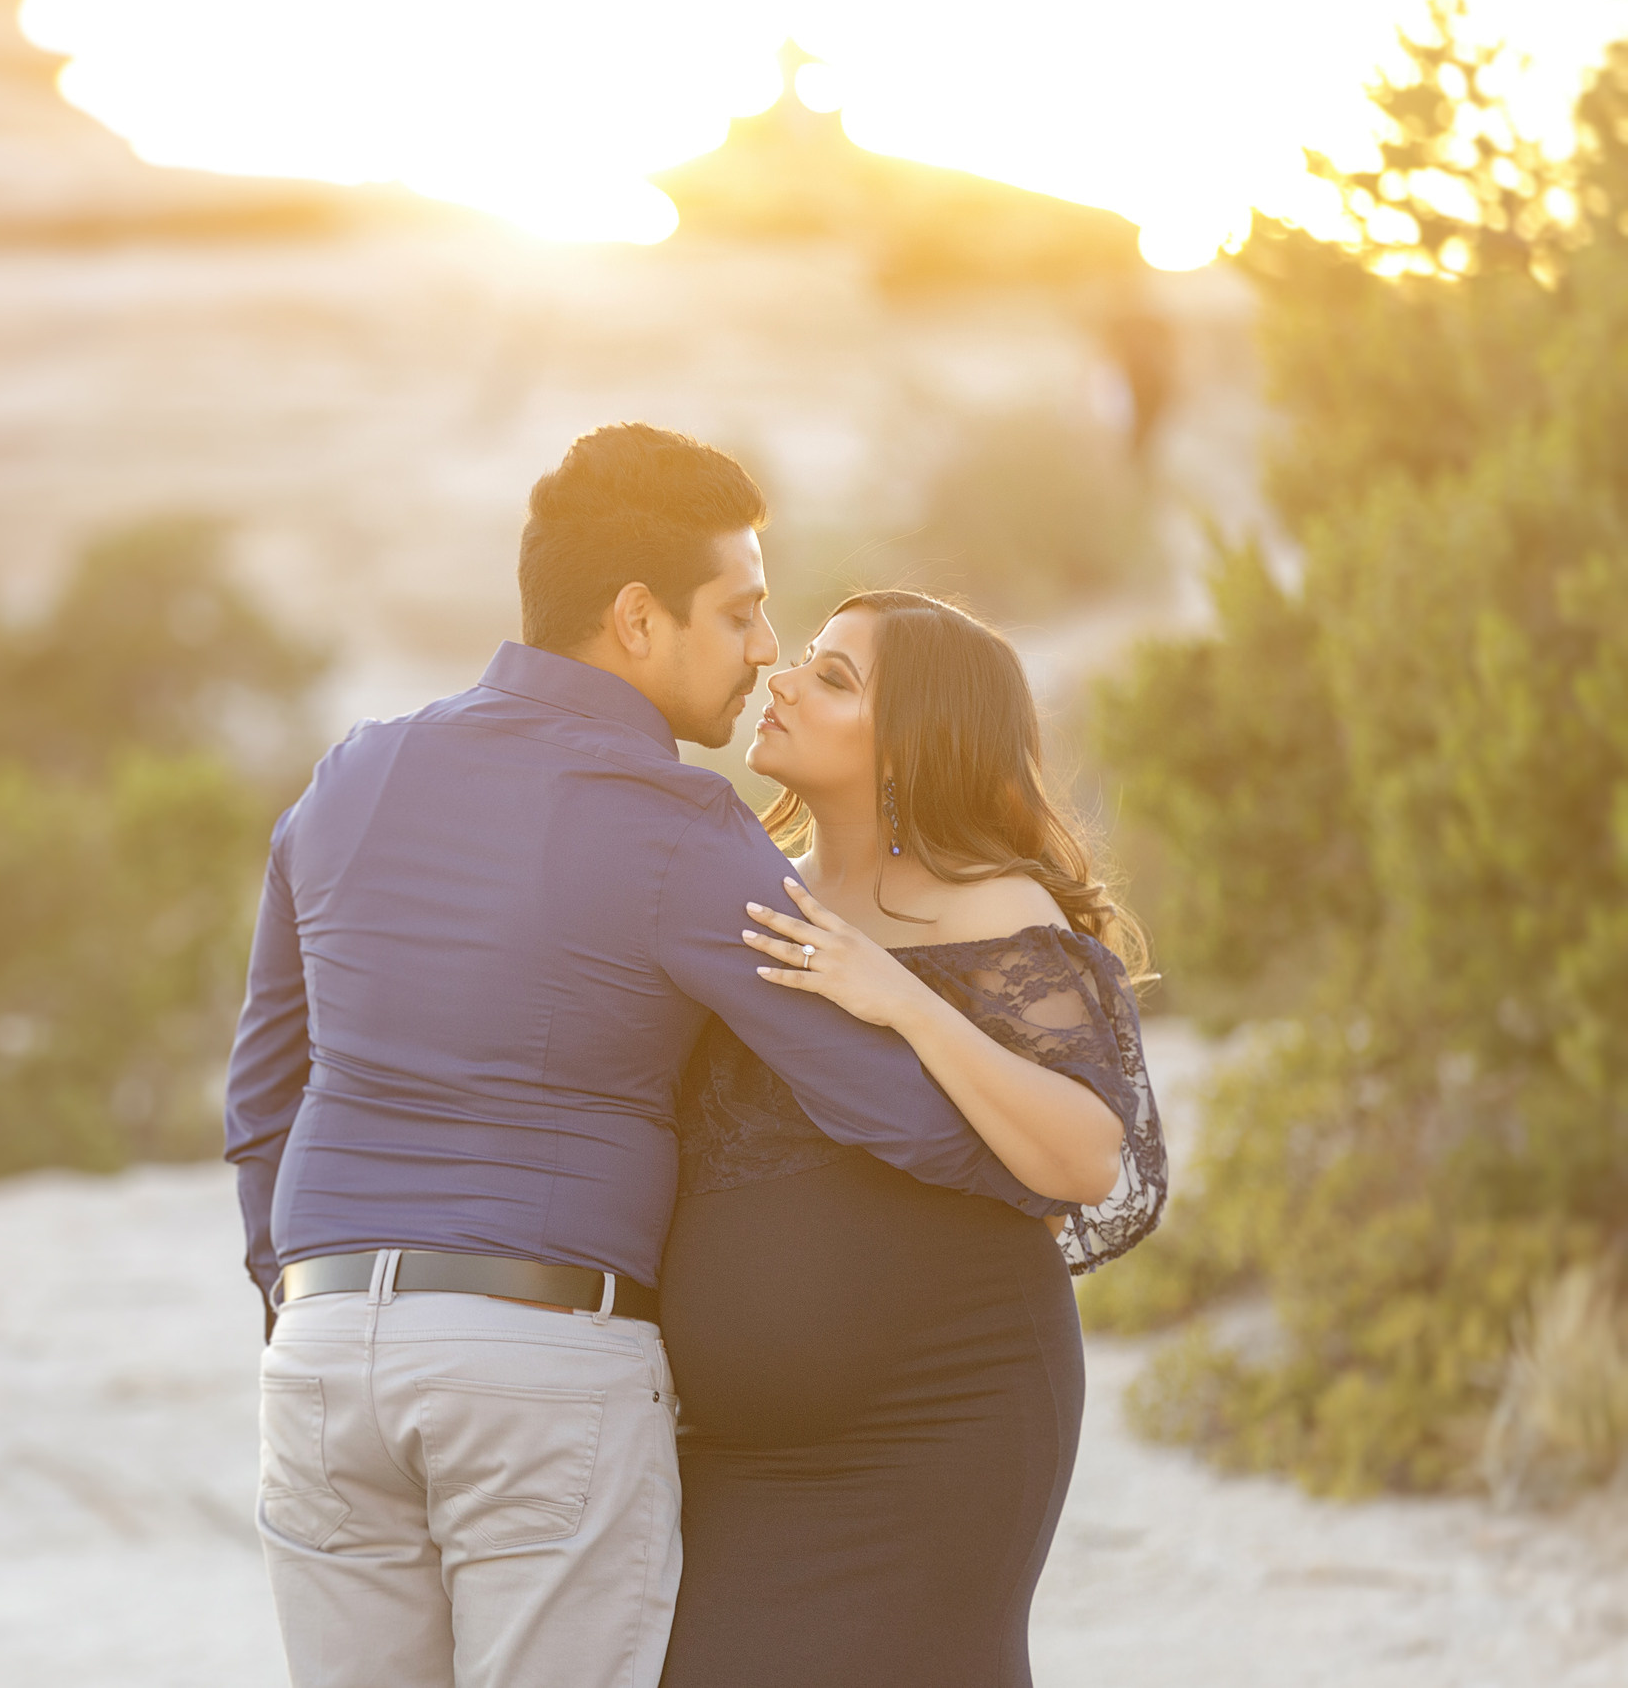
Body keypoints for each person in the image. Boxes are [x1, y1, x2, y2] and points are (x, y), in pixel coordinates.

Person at [222, 427, 1097, 1688]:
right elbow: (872, 1098)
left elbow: (263, 1097)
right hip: (536, 1364)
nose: (761, 650)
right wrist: (1050, 1147)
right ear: (637, 618)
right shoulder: (676, 825)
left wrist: (297, 1296)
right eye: (740, 612)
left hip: (317, 1362)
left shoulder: (349, 776)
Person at [658, 588, 1167, 1688]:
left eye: (835, 678)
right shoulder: (749, 893)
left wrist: (900, 999)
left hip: (944, 1416)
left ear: (913, 745)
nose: (782, 678)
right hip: (733, 1456)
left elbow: (1084, 1157)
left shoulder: (992, 908)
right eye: (804, 658)